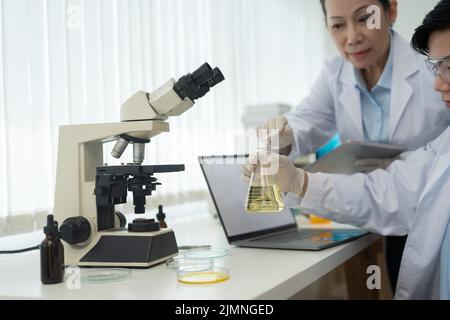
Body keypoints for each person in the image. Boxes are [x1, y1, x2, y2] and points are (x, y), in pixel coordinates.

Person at [243, 0, 450, 299]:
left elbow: (409, 184)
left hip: (423, 203)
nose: (352, 37)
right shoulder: (334, 74)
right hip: (380, 199)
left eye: (365, 18)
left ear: (391, 11)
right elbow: (306, 122)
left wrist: (301, 184)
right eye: (338, 25)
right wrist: (283, 140)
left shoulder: (429, 64)